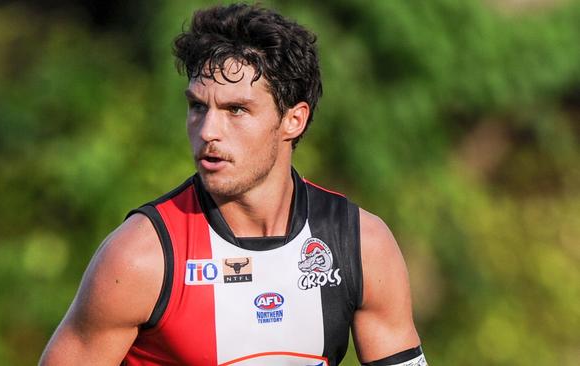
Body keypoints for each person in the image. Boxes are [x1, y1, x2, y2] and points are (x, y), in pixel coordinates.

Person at [40, 4, 427, 366]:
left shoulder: (360, 244)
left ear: (294, 120)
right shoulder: (141, 258)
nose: (208, 131)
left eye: (236, 110)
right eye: (197, 107)